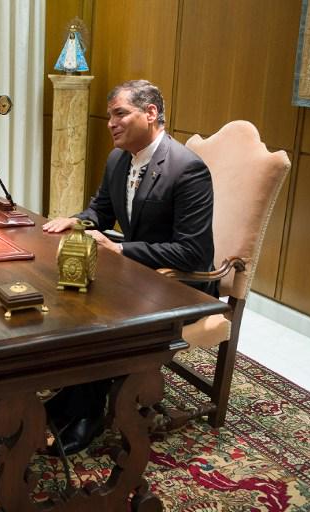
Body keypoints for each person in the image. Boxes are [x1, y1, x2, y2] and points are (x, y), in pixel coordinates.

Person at [42, 79, 216, 455]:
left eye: (120, 114)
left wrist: (120, 250)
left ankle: (88, 414)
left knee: (99, 313)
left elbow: (193, 253)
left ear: (150, 113)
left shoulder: (188, 169)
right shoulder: (118, 159)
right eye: (110, 116)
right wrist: (75, 221)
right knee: (69, 295)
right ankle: (71, 396)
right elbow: (101, 211)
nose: (111, 123)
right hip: (138, 273)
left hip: (181, 284)